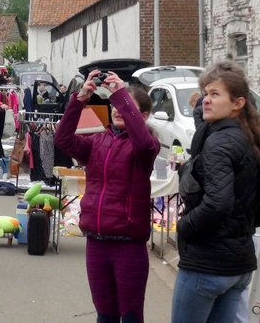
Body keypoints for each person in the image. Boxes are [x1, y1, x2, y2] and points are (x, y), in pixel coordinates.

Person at [54, 70, 159, 323]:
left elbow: (143, 143)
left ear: (142, 116)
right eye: (115, 105)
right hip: (97, 244)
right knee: (104, 315)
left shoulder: (145, 147)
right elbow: (62, 139)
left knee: (131, 316)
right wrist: (79, 100)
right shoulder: (96, 142)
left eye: (126, 107)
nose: (118, 110)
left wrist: (120, 93)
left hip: (128, 246)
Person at [171, 61, 260, 323]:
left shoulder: (220, 143)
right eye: (206, 94)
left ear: (238, 103)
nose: (206, 101)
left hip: (208, 263)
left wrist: (184, 225)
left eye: (215, 94)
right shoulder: (247, 137)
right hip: (238, 263)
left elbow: (217, 204)